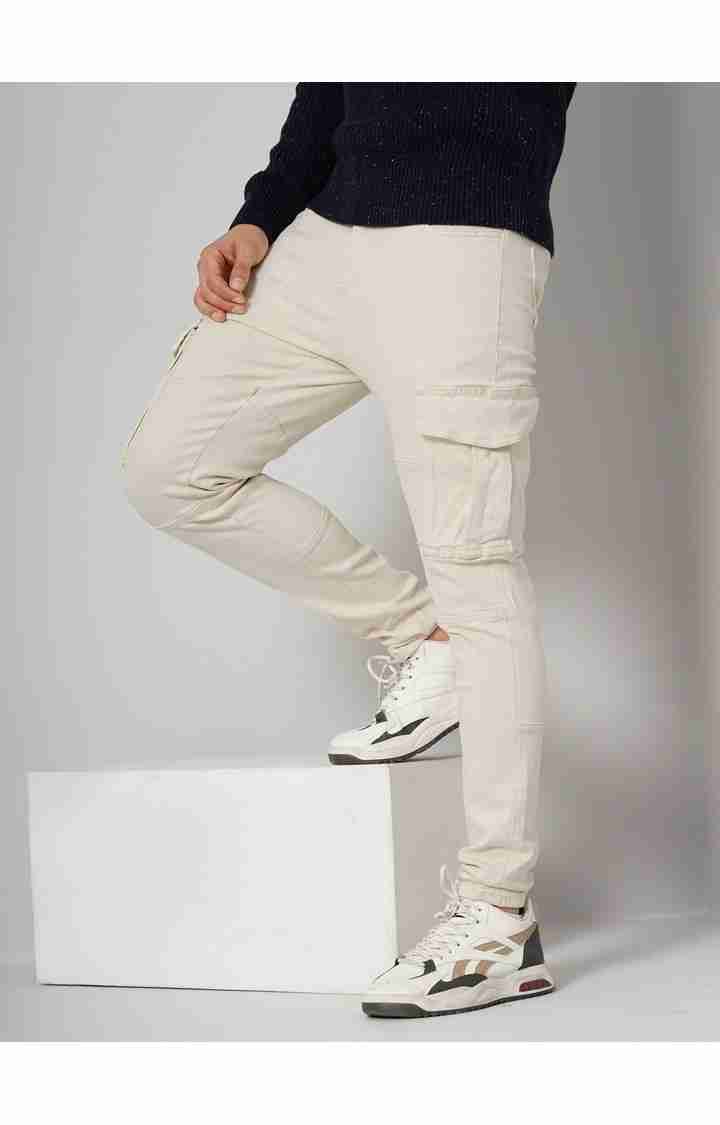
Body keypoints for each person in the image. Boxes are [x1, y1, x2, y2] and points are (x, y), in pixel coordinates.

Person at [122, 82, 576, 1019]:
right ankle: (424, 638)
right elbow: (329, 81)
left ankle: (499, 916)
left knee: (477, 566)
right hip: (325, 235)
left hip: (464, 237)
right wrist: (261, 214)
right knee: (170, 470)